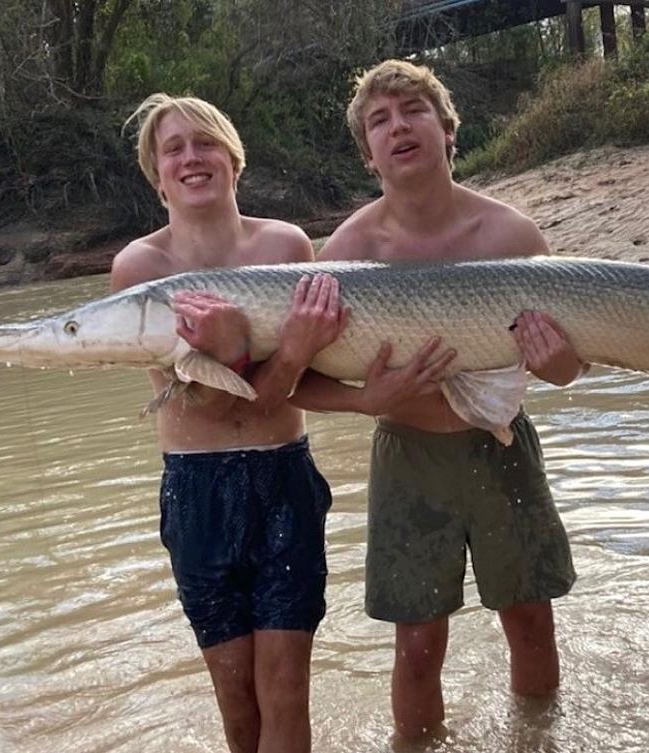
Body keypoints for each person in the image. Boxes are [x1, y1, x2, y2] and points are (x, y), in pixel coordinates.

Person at [291, 60, 583, 739]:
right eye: (380, 120)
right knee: (417, 646)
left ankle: (538, 738)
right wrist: (367, 401)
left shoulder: (513, 237)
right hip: (407, 456)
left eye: (413, 110)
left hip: (503, 446)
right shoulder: (348, 251)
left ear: (449, 129)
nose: (399, 126)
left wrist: (557, 360)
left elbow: (569, 370)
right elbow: (296, 379)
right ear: (368, 154)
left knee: (532, 621)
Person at [111, 93, 347, 753]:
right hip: (197, 490)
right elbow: (214, 405)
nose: (192, 157)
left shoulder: (286, 244)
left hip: (284, 478)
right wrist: (284, 349)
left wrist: (345, 377)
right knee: (238, 705)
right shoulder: (140, 269)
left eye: (206, 142)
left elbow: (300, 386)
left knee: (285, 691)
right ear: (157, 177)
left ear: (234, 161)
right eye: (174, 148)